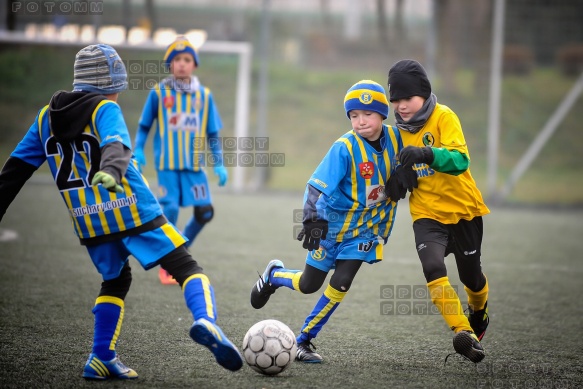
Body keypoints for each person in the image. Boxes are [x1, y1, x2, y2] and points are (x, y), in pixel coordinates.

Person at [0, 44, 243, 379]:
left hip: (88, 221)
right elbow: (116, 144)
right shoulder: (105, 108)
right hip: (131, 209)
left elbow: (13, 172)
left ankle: (100, 358)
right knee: (186, 265)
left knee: (115, 279)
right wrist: (113, 172)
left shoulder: (45, 119)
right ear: (111, 83)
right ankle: (206, 321)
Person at [250, 80, 415, 363]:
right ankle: (274, 275)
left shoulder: (400, 140)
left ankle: (303, 341)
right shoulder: (344, 148)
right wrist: (313, 218)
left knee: (341, 281)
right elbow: (316, 187)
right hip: (332, 229)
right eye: (353, 116)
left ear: (382, 114)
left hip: (366, 232)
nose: (360, 121)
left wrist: (407, 172)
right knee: (308, 284)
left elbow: (419, 163)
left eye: (367, 114)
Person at [384, 59, 490, 363]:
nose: (401, 106)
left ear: (424, 93)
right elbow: (395, 171)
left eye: (407, 98)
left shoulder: (444, 117)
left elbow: (461, 161)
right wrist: (396, 180)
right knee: (432, 267)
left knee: (472, 279)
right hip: (427, 215)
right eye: (396, 100)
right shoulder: (395, 133)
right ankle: (464, 332)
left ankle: (479, 310)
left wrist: (426, 153)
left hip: (463, 211)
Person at [133, 36, 228, 285]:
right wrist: (138, 150)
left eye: (187, 59)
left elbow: (213, 134)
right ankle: (169, 264)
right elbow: (144, 126)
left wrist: (218, 162)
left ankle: (179, 251)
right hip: (167, 165)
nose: (182, 64)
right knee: (171, 209)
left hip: (194, 165)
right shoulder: (159, 93)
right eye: (177, 59)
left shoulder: (204, 97)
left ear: (194, 64)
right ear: (170, 65)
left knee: (205, 212)